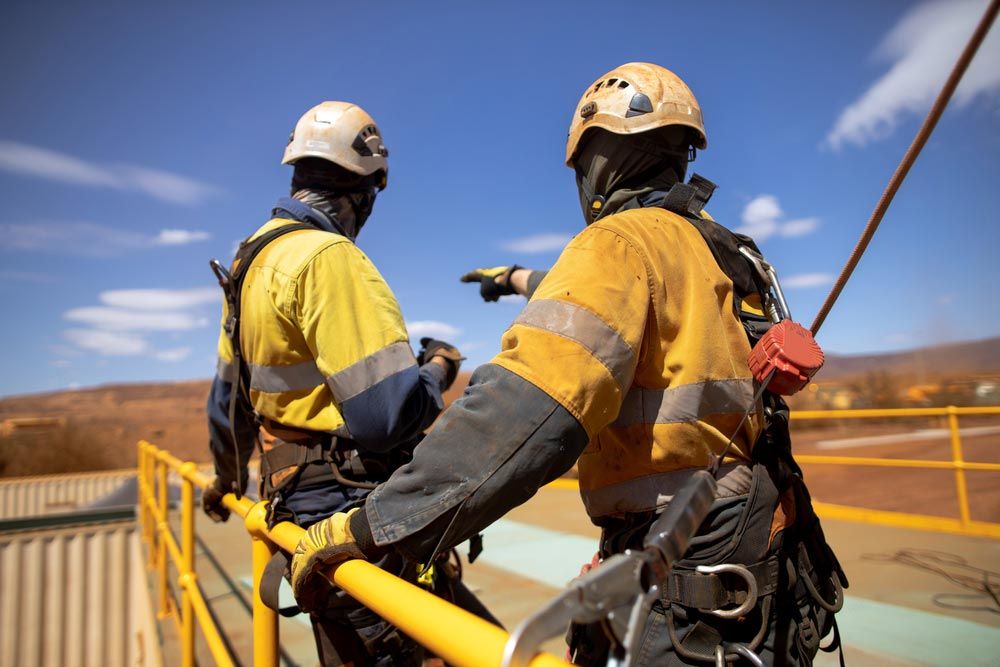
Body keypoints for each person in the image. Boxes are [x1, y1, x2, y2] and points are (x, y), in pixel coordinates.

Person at [289, 64, 846, 666]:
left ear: (597, 161)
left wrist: (377, 526)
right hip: (768, 553)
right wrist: (510, 279)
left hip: (693, 579)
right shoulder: (728, 251)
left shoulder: (618, 244)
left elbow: (522, 418)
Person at [201, 101, 492, 665]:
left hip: (296, 505)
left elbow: (227, 400)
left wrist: (226, 480)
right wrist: (438, 369)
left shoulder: (251, 261)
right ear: (367, 189)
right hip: (351, 519)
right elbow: (386, 419)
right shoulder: (331, 257)